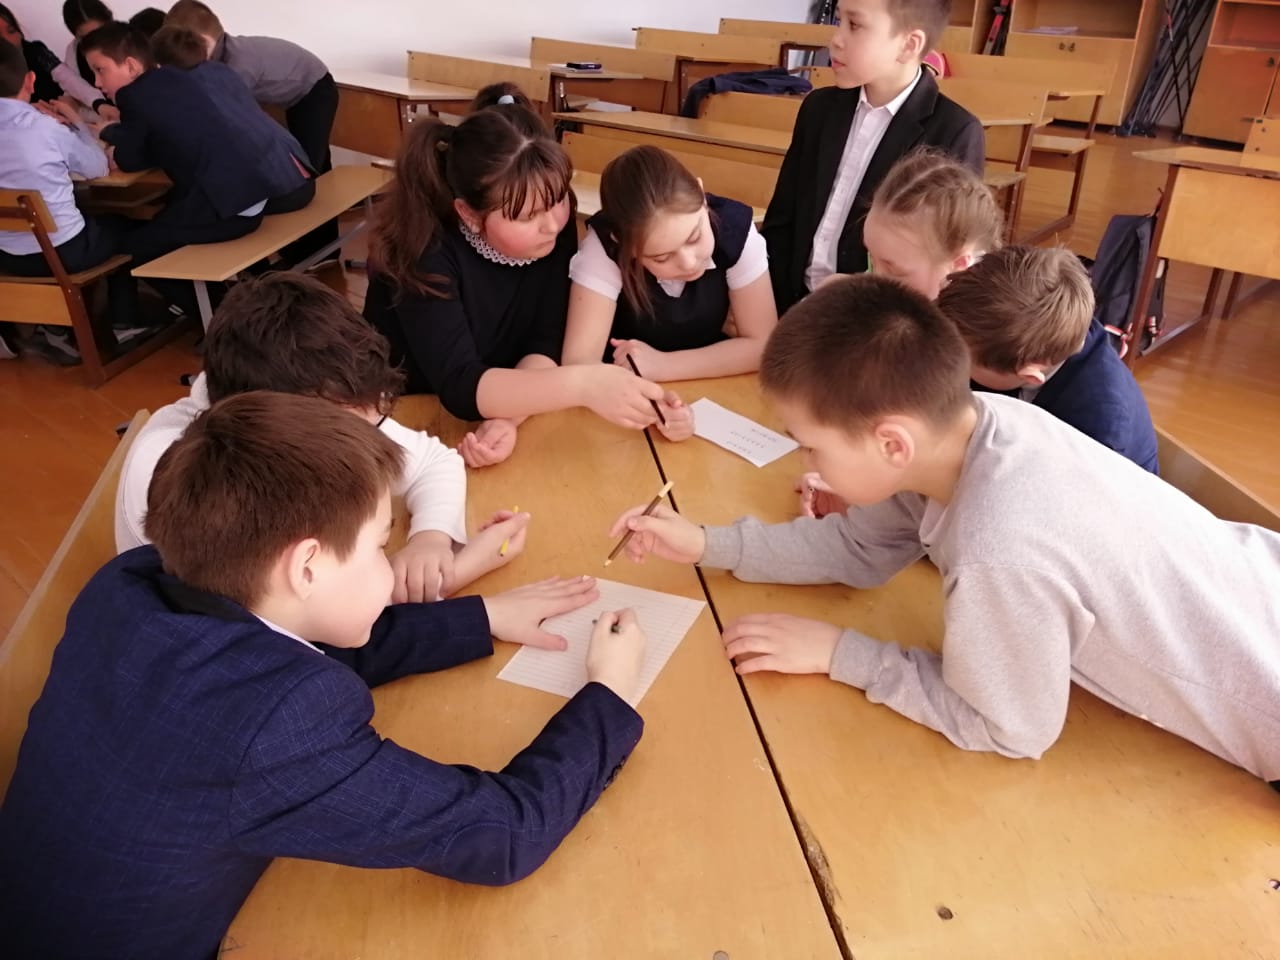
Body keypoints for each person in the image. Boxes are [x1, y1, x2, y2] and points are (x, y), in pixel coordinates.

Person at [0, 390, 649, 959]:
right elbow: (505, 835)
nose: (389, 568)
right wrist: (608, 692)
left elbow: (287, 653)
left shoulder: (132, 584)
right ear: (306, 567)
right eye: (379, 547)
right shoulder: (279, 726)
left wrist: (482, 617)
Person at [609, 273, 1280, 786]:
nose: (807, 462)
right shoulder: (974, 426)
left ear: (891, 444)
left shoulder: (999, 544)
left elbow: (1009, 727)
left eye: (811, 445)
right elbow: (858, 549)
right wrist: (707, 543)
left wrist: (842, 652)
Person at [363, 87, 675, 468]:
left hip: (498, 400)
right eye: (527, 217)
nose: (552, 224)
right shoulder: (422, 250)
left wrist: (508, 418)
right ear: (469, 214)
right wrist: (584, 384)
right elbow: (460, 383)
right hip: (405, 414)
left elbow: (544, 339)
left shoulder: (552, 224)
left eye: (558, 199)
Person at [762, 0, 984, 313]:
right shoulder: (818, 108)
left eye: (854, 25)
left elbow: (943, 264)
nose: (836, 40)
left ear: (909, 45)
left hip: (875, 319)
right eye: (838, 21)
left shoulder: (955, 130)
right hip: (791, 307)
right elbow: (783, 219)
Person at [562, 144, 777, 387]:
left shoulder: (735, 231)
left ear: (700, 193)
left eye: (694, 237)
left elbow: (764, 345)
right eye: (661, 258)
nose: (689, 262)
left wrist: (663, 366)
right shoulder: (603, 248)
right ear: (622, 244)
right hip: (623, 384)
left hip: (715, 381)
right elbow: (579, 363)